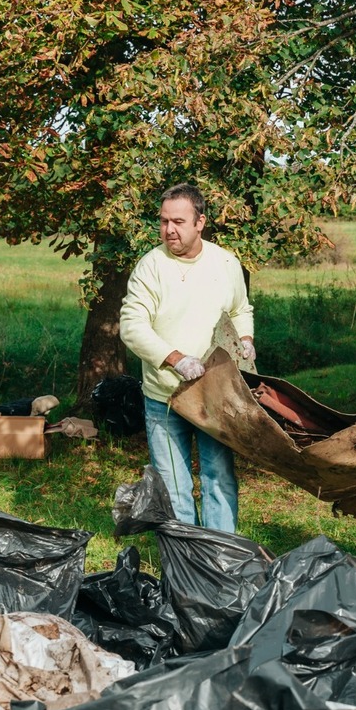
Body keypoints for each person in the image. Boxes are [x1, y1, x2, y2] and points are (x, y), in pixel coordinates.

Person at [119, 183, 255, 532]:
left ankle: (222, 555)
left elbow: (241, 309)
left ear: (200, 222)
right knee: (174, 485)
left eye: (178, 221)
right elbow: (132, 326)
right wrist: (175, 358)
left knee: (218, 476)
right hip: (166, 396)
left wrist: (245, 339)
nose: (169, 230)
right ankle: (188, 558)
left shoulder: (225, 263)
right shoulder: (150, 266)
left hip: (215, 394)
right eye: (164, 221)